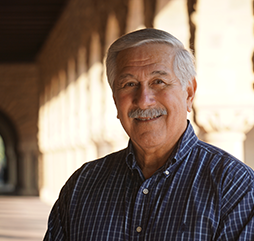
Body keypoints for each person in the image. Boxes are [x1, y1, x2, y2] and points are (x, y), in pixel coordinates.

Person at [43, 28, 254, 240]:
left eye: (158, 82)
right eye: (129, 84)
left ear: (189, 93)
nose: (144, 100)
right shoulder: (81, 186)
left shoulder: (235, 187)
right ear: (116, 100)